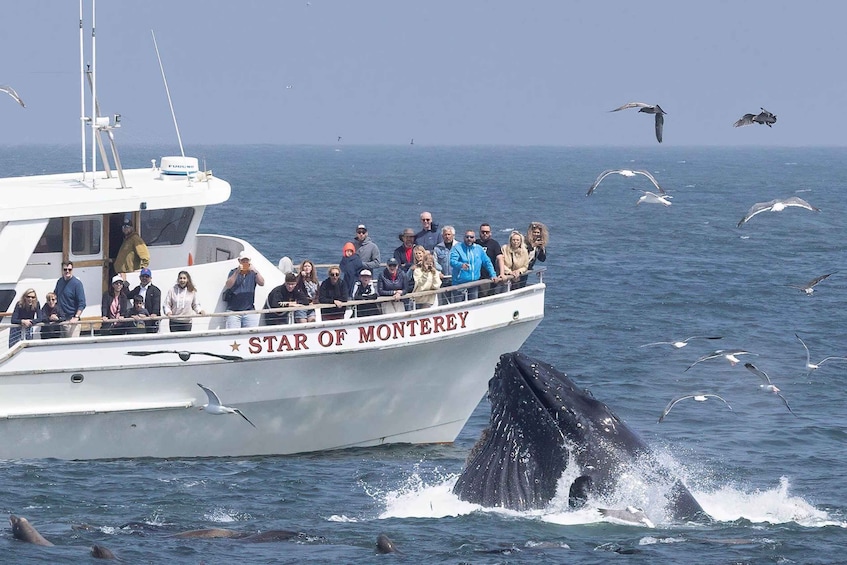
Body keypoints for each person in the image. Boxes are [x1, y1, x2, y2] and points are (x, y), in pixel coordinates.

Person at [450, 230, 497, 301]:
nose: (469, 239)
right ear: (464, 238)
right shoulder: (457, 248)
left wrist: (493, 274)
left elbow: (487, 262)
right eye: (467, 237)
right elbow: (452, 261)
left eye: (471, 237)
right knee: (458, 305)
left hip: (474, 283)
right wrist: (461, 265)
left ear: (474, 239)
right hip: (459, 284)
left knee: (473, 304)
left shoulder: (479, 249)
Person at [223, 250, 265, 328]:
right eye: (243, 261)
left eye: (246, 261)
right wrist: (237, 272)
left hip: (249, 310)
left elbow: (262, 283)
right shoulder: (233, 272)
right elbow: (228, 285)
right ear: (239, 261)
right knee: (233, 336)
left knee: (251, 335)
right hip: (233, 312)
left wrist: (255, 271)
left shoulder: (253, 273)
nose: (245, 262)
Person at [54, 261, 86, 338]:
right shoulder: (59, 281)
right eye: (65, 269)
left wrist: (76, 317)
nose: (67, 271)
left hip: (72, 321)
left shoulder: (77, 284)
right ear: (62, 270)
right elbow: (54, 298)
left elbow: (82, 303)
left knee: (72, 347)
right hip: (60, 320)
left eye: (69, 269)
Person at [127, 267, 161, 334]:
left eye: (147, 276)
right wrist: (125, 285)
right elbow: (128, 295)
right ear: (140, 277)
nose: (144, 278)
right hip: (137, 320)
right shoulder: (137, 289)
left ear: (150, 278)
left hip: (149, 320)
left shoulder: (156, 290)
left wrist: (153, 314)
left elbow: (156, 305)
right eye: (143, 276)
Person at [477, 223, 505, 297]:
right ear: (479, 232)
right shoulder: (475, 243)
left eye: (487, 232)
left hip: (489, 277)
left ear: (490, 233)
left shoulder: (494, 244)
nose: (485, 234)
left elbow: (500, 258)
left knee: (487, 296)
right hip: (476, 276)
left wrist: (502, 274)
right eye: (483, 232)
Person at [433, 225, 458, 304]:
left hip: (456, 279)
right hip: (443, 280)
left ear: (453, 235)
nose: (447, 236)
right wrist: (438, 273)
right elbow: (434, 262)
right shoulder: (437, 248)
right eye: (445, 234)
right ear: (442, 236)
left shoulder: (459, 247)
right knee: (444, 303)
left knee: (458, 302)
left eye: (449, 234)